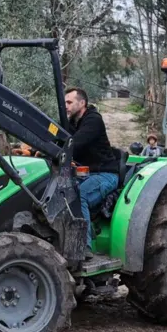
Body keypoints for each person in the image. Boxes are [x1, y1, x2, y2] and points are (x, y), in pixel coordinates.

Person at [64, 87, 120, 244]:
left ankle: (84, 247)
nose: (65, 106)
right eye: (64, 103)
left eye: (69, 102)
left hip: (105, 174)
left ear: (82, 103)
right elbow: (56, 136)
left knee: (79, 194)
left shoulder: (93, 120)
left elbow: (74, 143)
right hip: (86, 174)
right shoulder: (72, 122)